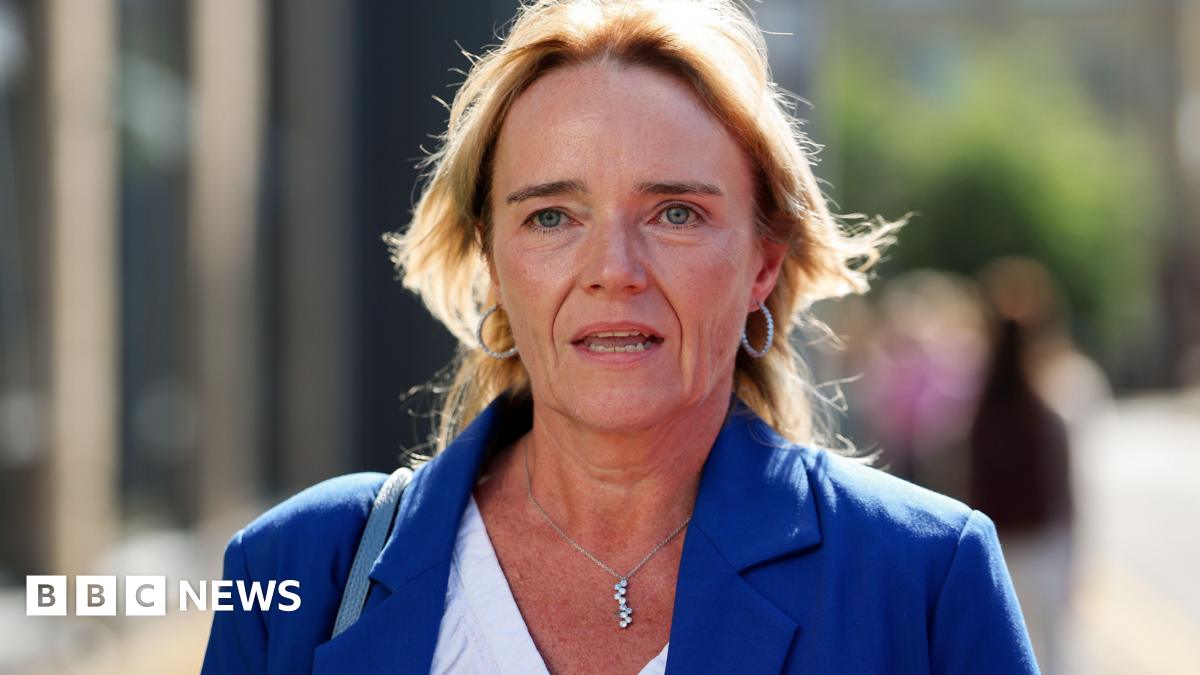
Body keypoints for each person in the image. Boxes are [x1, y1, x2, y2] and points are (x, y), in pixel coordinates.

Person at [201, 1, 1038, 673]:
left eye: (675, 212)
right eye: (551, 216)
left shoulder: (923, 578)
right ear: (492, 263)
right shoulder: (297, 569)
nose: (613, 270)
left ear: (762, 262)